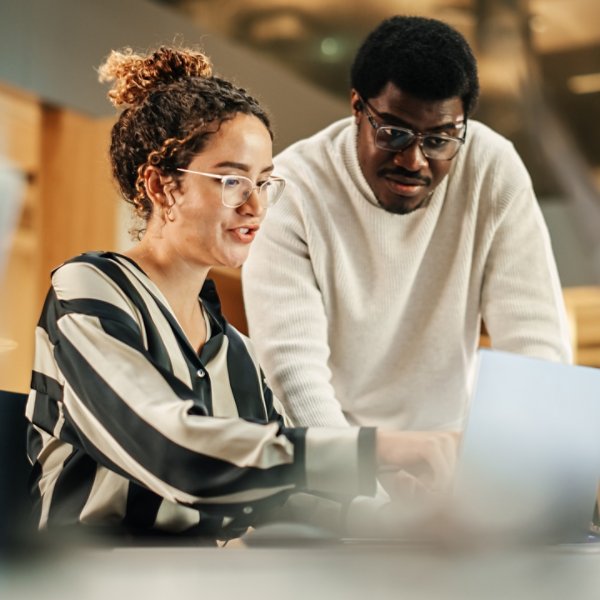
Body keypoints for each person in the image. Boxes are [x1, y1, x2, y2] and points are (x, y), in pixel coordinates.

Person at [25, 45, 456, 543]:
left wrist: (395, 519)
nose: (256, 205)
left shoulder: (236, 352)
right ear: (162, 188)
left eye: (266, 182)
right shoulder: (89, 289)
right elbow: (174, 453)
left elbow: (276, 495)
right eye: (232, 180)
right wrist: (373, 450)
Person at [242, 16, 572, 430]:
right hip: (333, 451)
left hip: (447, 443)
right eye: (394, 134)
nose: (413, 161)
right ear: (357, 108)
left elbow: (535, 345)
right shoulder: (293, 190)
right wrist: (363, 479)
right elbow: (293, 376)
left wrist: (505, 472)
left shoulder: (491, 168)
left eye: (438, 140)